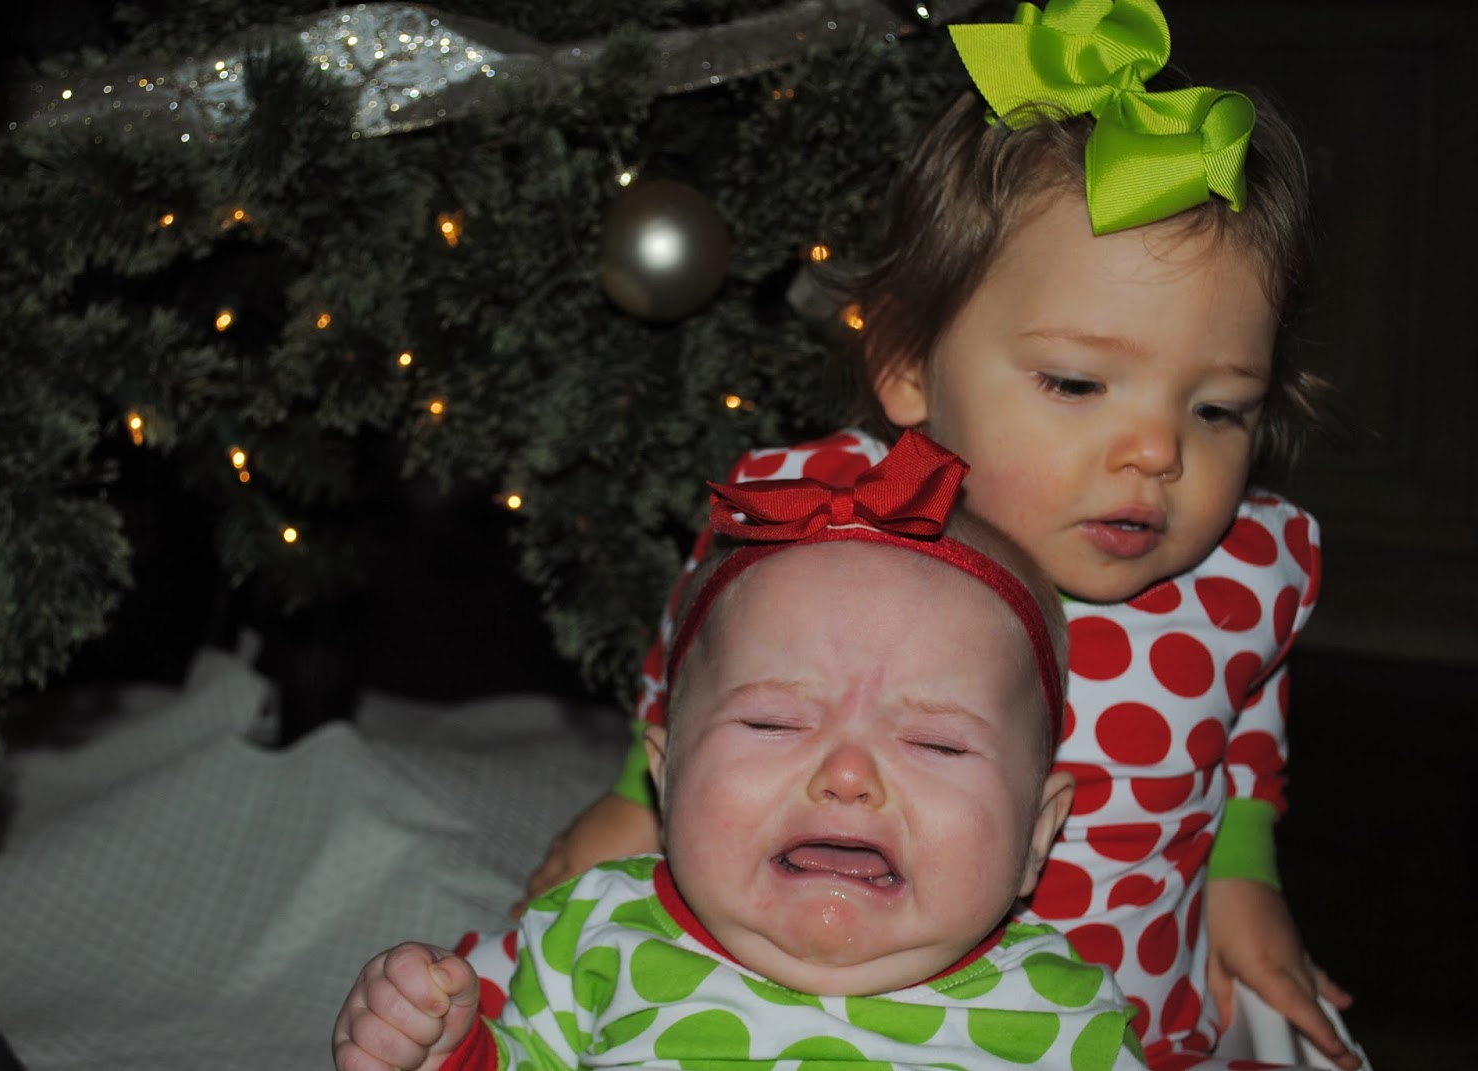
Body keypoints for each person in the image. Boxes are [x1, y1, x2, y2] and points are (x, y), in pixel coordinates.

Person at [511, 3, 1361, 1069]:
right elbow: (704, 661)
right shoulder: (827, 514)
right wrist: (634, 802)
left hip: (1116, 1017)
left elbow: (1246, 734)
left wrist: (1243, 878)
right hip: (790, 1007)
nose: (1157, 451)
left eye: (1219, 407)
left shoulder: (1250, 566)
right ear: (910, 366)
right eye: (1076, 383)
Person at [336, 433, 1156, 1071]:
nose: (847, 775)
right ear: (665, 777)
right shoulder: (590, 936)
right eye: (773, 723)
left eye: (936, 742)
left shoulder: (1066, 1018)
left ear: (1038, 833)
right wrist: (442, 1047)